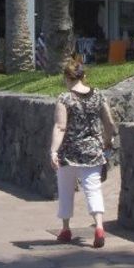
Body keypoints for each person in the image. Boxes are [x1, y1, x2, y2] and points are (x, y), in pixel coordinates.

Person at [48, 56, 117, 248]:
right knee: (93, 190)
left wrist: (53, 151)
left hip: (69, 152)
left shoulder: (65, 98)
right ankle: (100, 227)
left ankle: (65, 229)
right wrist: (108, 140)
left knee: (66, 190)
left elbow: (60, 127)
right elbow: (109, 123)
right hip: (93, 152)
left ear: (67, 78)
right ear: (83, 76)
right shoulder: (98, 95)